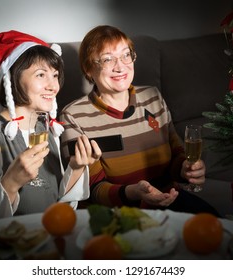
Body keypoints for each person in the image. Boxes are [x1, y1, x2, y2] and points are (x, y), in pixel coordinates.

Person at [59, 25, 219, 216]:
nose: (120, 66)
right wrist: (136, 192)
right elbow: (94, 191)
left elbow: (176, 152)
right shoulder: (73, 116)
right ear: (88, 68)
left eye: (126, 55)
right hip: (118, 214)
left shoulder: (152, 96)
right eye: (107, 59)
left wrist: (186, 169)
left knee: (222, 231)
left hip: (170, 200)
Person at [0, 30, 101, 226]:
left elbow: (60, 209)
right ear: (14, 78)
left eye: (55, 75)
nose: (53, 86)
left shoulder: (47, 131)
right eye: (41, 74)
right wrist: (11, 184)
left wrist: (76, 169)